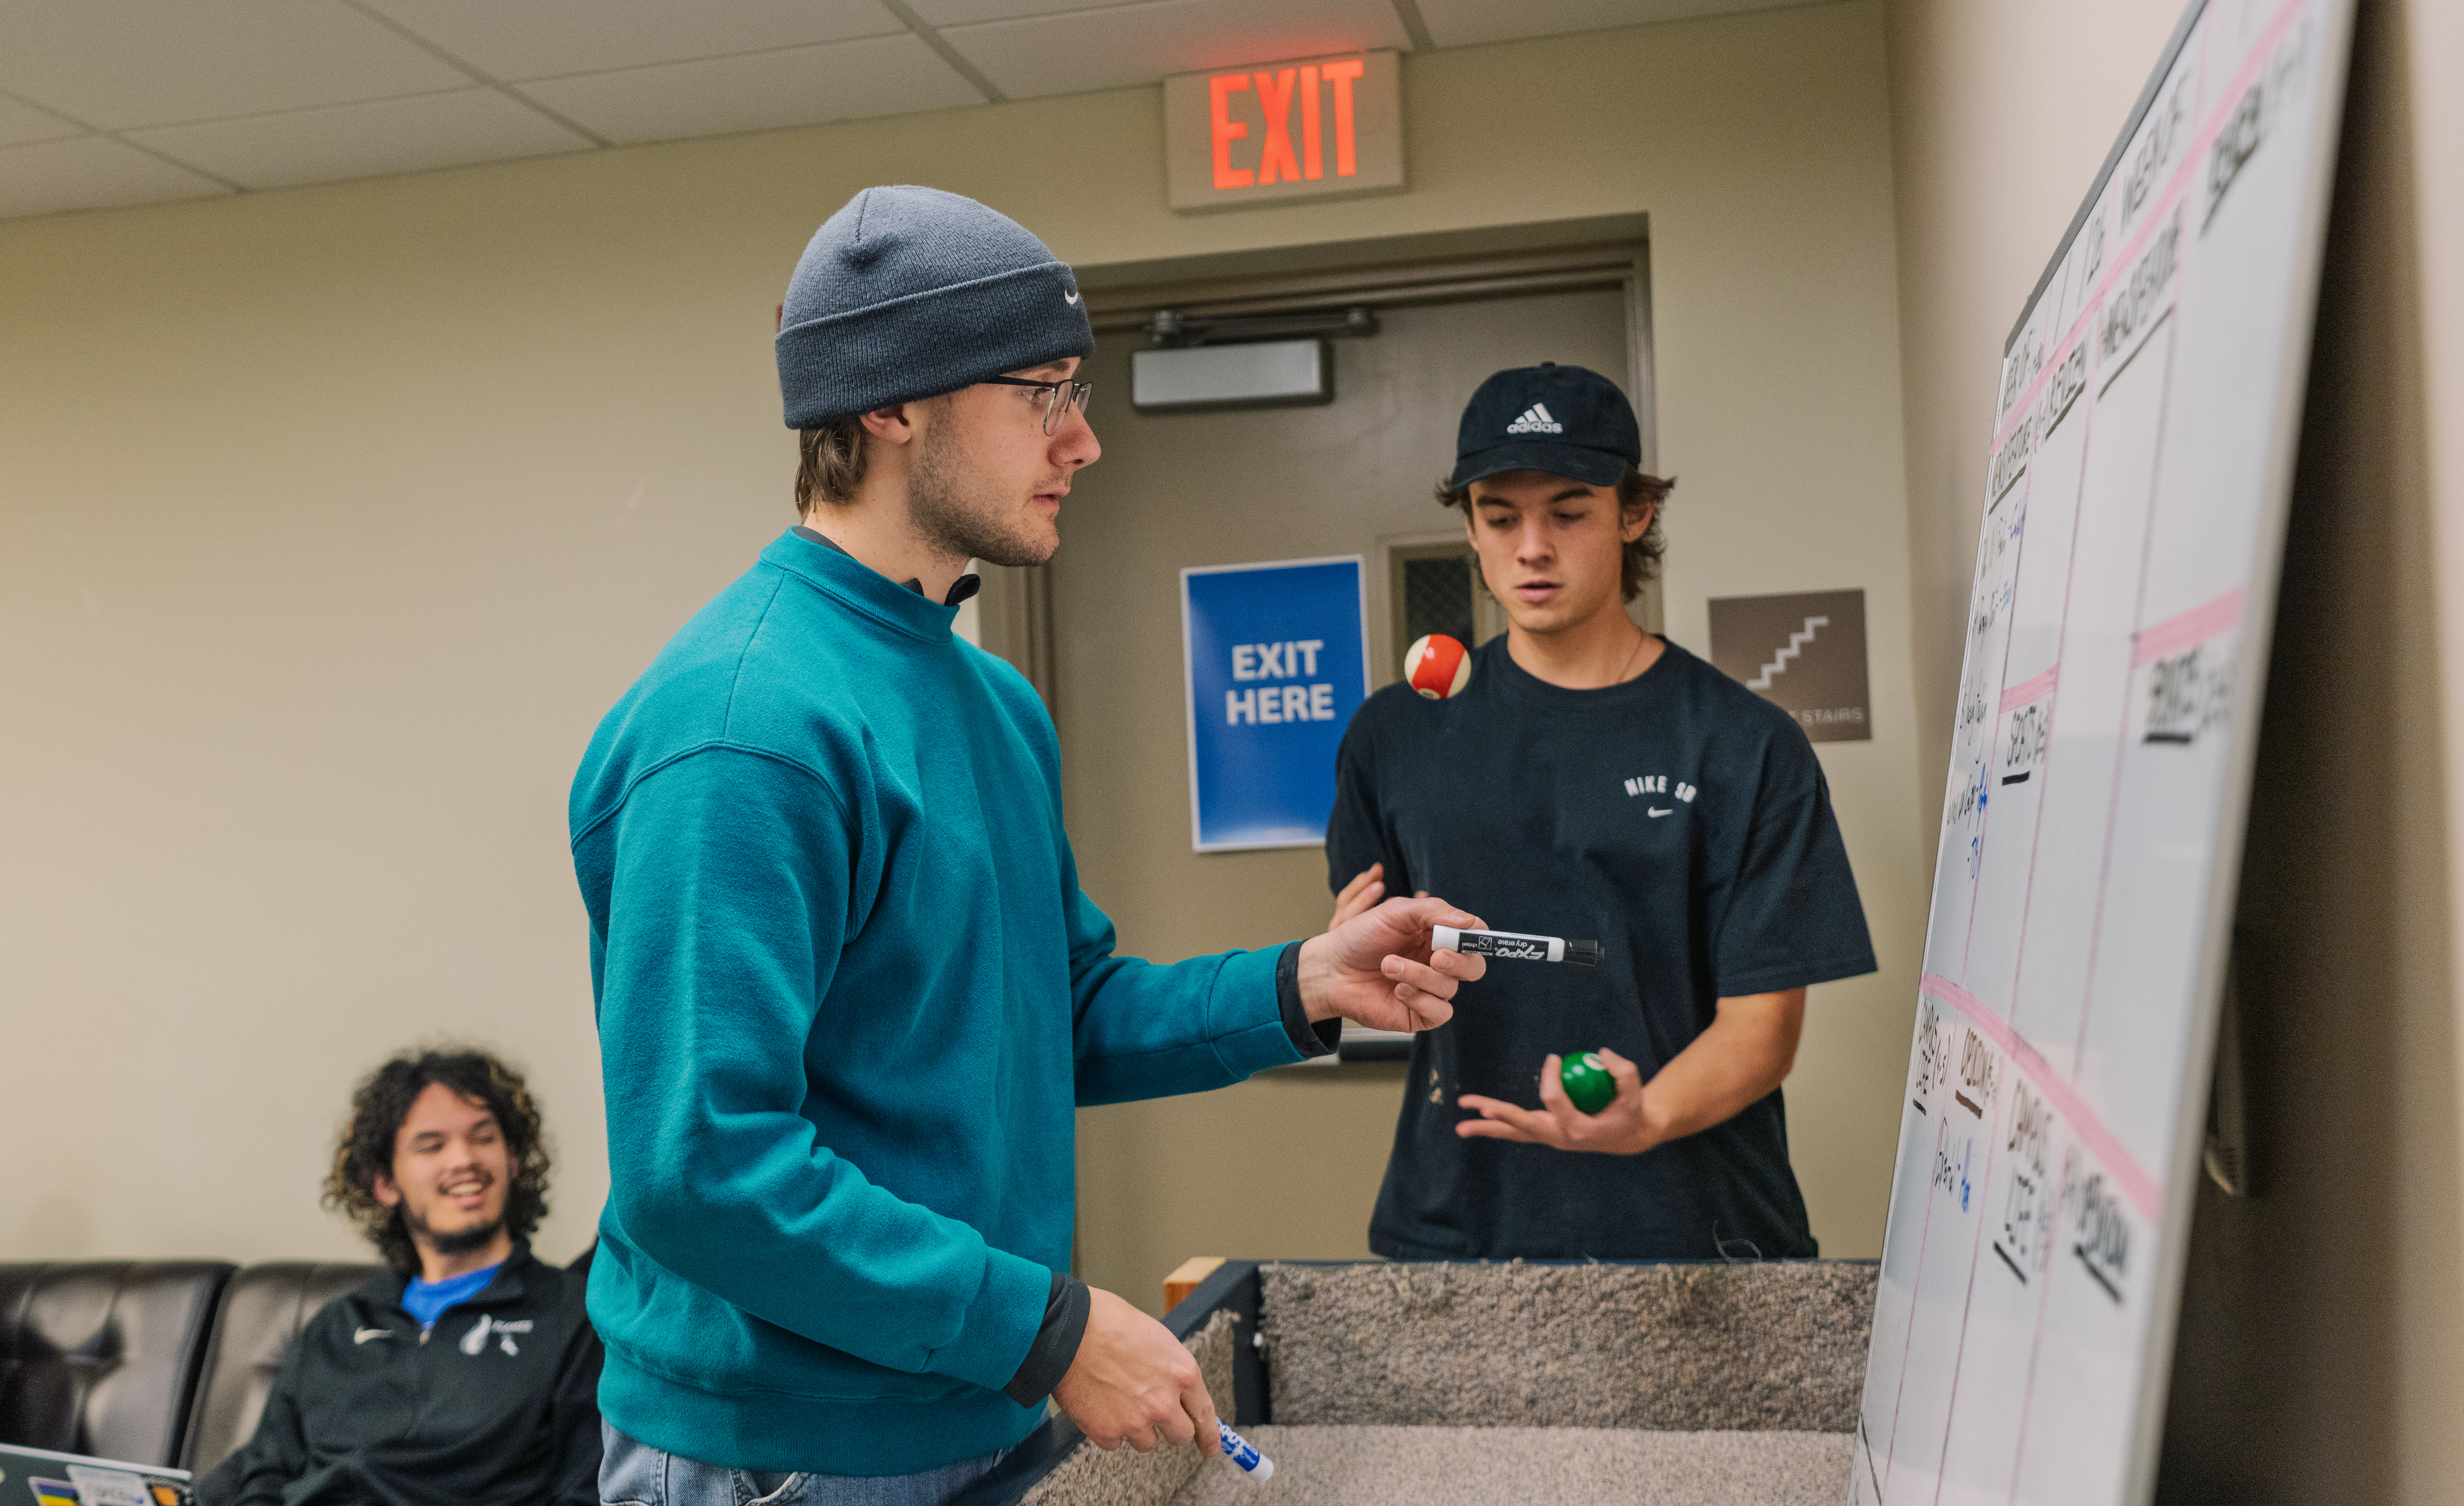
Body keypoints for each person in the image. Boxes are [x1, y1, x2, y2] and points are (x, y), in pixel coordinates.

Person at [571, 184, 1486, 1506]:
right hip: (782, 1455)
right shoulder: (744, 727)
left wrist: (1304, 984)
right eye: (1043, 393)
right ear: (893, 404)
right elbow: (700, 1168)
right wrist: (1047, 1329)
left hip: (977, 1409)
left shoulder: (991, 699)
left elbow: (1059, 1010)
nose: (1084, 440)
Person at [1327, 361, 1877, 1263]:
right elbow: (1384, 968)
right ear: (1470, 527)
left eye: (1569, 512)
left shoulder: (1744, 745)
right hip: (1458, 1237)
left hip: (1700, 1237)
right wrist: (1360, 974)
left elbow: (1763, 1028)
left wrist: (1644, 1115)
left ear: (1634, 514)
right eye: (1501, 518)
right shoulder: (1395, 736)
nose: (1532, 547)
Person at [202, 1048, 602, 1506]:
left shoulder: (573, 1314)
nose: (463, 1159)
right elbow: (265, 1474)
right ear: (385, 1184)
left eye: (484, 1137)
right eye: (432, 1145)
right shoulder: (338, 1325)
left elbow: (585, 1491)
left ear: (513, 1159)